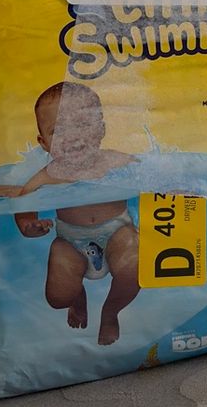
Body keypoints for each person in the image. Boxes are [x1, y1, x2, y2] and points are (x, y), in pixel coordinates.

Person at [13, 81, 139, 346]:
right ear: (44, 142)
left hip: (117, 232)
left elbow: (152, 176)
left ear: (101, 128)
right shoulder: (49, 176)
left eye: (81, 124)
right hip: (71, 242)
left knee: (136, 268)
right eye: (57, 130)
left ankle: (110, 312)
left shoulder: (115, 161)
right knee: (57, 298)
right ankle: (76, 298)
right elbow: (24, 202)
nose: (71, 136)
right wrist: (27, 224)